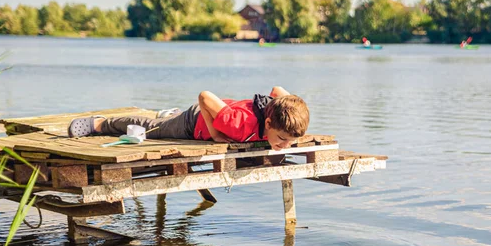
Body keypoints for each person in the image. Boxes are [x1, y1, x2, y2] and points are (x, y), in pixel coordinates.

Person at [67, 87, 309, 151]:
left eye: (290, 141)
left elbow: (277, 90)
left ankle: (170, 114)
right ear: (268, 124)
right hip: (194, 124)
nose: (286, 145)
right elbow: (205, 97)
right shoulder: (239, 124)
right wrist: (215, 135)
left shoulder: (284, 121)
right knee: (152, 128)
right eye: (282, 139)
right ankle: (100, 124)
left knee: (166, 122)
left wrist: (289, 108)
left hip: (216, 115)